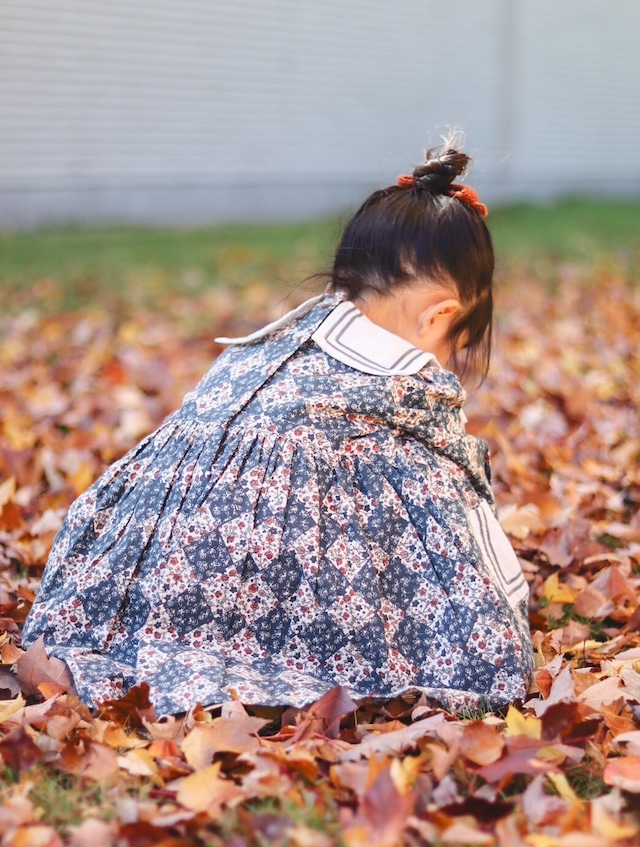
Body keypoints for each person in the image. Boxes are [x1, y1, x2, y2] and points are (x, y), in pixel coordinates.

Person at [22, 143, 534, 716]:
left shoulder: (254, 356)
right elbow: (454, 521)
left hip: (130, 589)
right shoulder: (405, 388)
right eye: (455, 347)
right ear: (439, 317)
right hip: (272, 601)